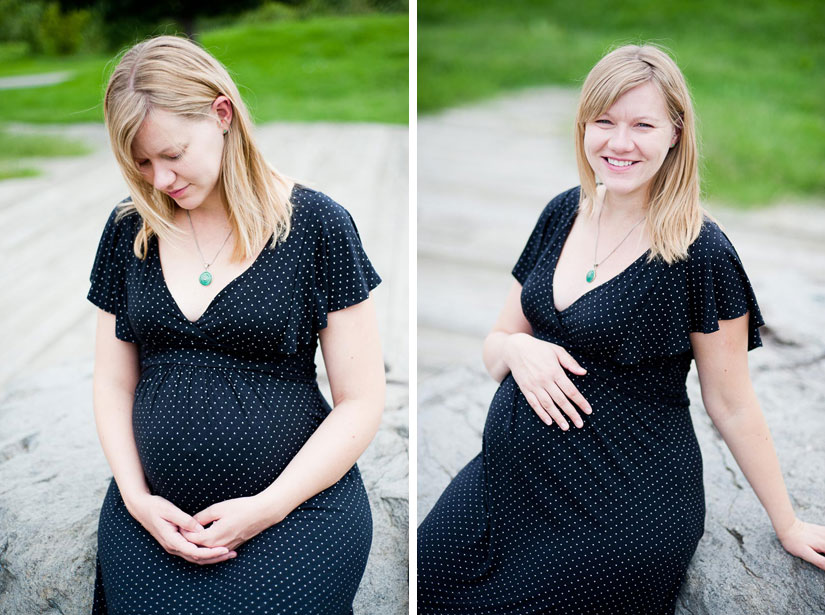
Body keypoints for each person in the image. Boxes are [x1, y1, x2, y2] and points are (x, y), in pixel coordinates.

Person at [417, 43, 825, 614]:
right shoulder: (562, 212)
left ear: (676, 133)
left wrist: (787, 523)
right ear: (583, 125)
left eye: (642, 125)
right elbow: (493, 346)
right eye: (603, 121)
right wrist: (519, 347)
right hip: (504, 485)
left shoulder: (700, 252)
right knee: (425, 586)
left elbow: (731, 402)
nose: (619, 142)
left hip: (615, 507)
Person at [87, 35, 385, 614]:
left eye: (172, 153)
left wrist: (265, 508)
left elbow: (361, 401)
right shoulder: (130, 230)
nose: (160, 180)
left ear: (222, 114)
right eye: (141, 163)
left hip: (295, 510)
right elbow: (111, 382)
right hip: (155, 518)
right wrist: (136, 498)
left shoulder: (318, 225)